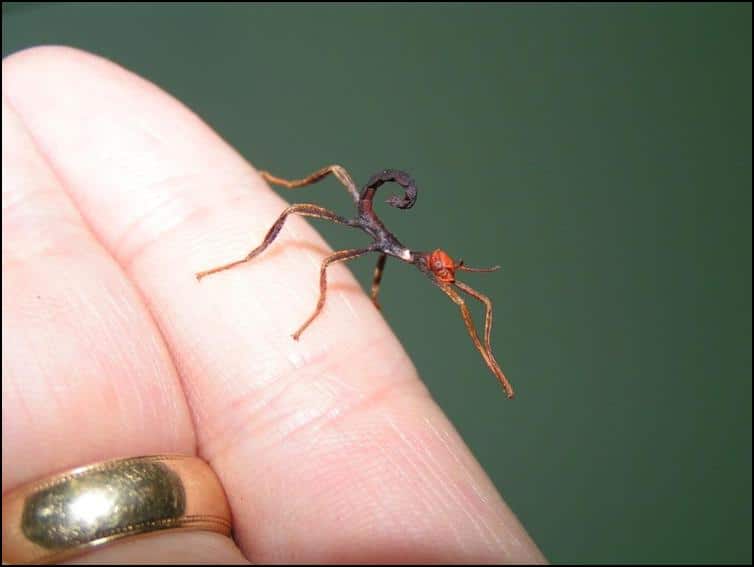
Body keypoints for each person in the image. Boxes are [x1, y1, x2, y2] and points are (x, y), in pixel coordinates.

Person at [2, 46, 545, 564]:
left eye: (445, 274)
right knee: (323, 231)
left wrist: (485, 346)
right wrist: (313, 305)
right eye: (444, 273)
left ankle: (470, 349)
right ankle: (249, 248)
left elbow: (460, 294)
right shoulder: (385, 239)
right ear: (430, 263)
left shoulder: (410, 257)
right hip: (368, 231)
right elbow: (349, 262)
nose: (447, 280)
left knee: (387, 263)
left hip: (390, 246)